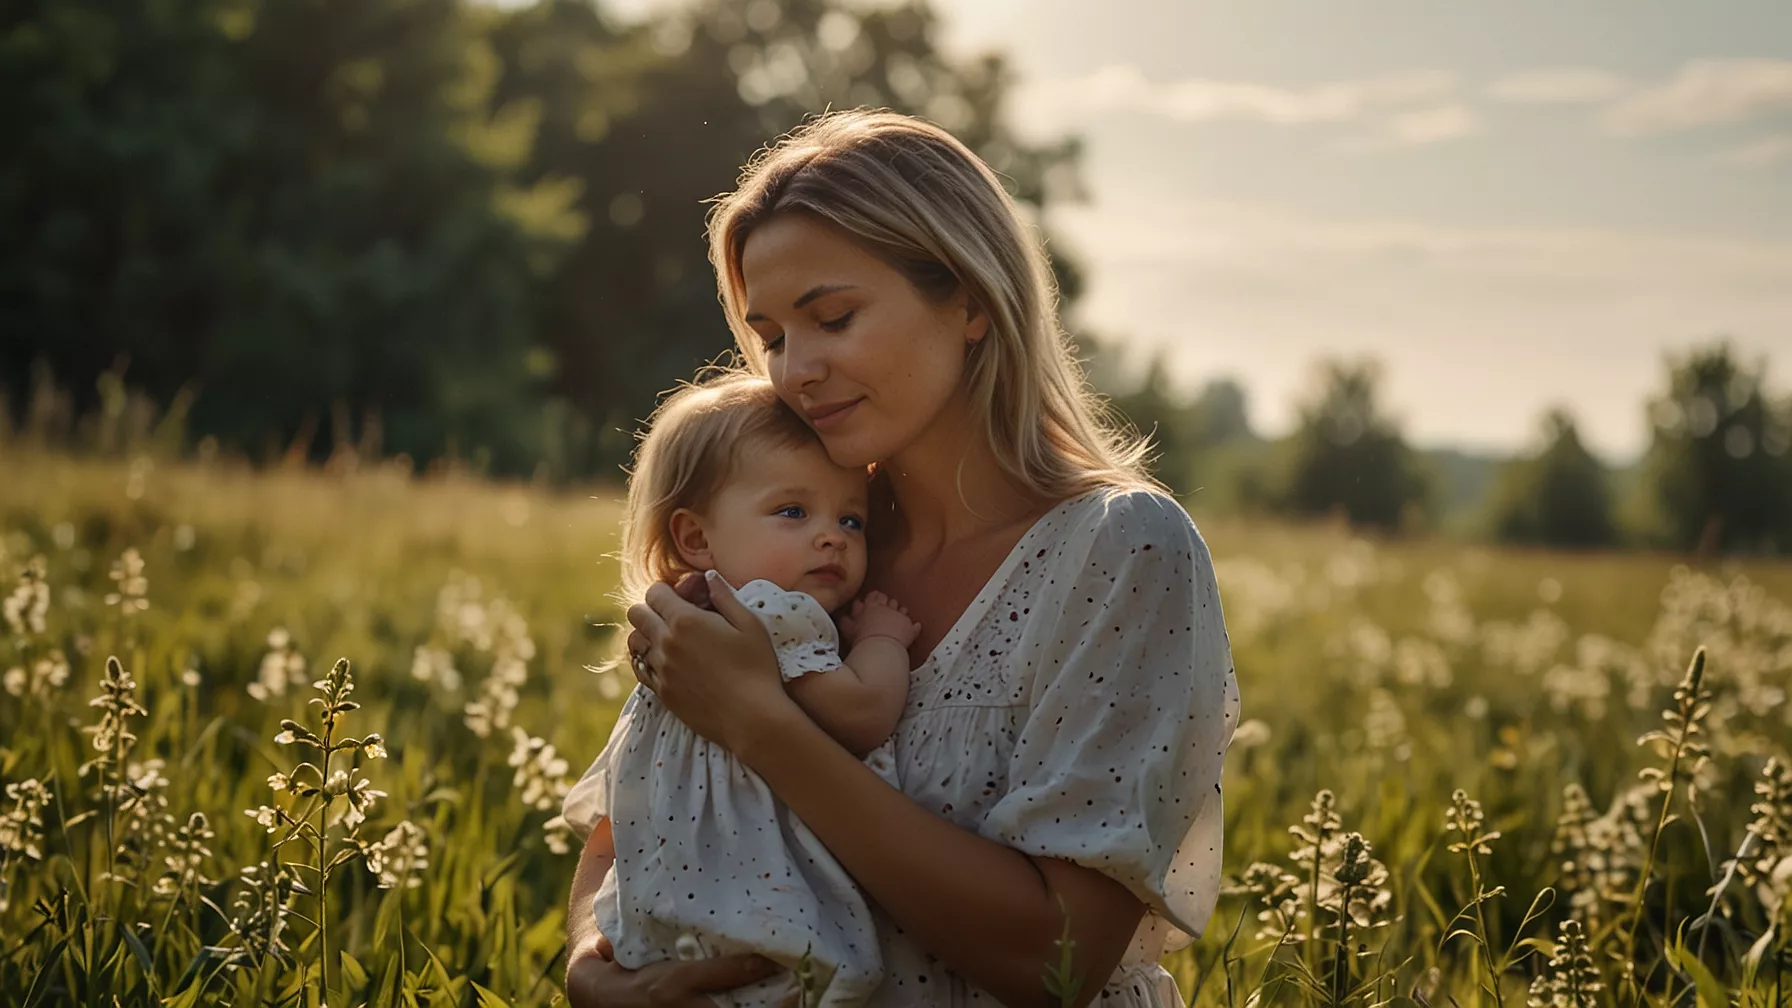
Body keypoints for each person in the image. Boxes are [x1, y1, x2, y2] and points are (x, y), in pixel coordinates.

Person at [564, 108, 1240, 1008]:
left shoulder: (1123, 550)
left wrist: (764, 726)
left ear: (970, 300)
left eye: (833, 318)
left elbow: (1057, 962)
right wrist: (592, 964)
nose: (794, 370)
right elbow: (637, 806)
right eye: (772, 337)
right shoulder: (807, 548)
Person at [561, 372, 921, 1006]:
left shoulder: (681, 636)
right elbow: (864, 713)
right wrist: (884, 640)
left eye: (851, 519)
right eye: (792, 512)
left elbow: (614, 821)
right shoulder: (771, 614)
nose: (832, 535)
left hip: (662, 923)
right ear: (696, 538)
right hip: (766, 922)